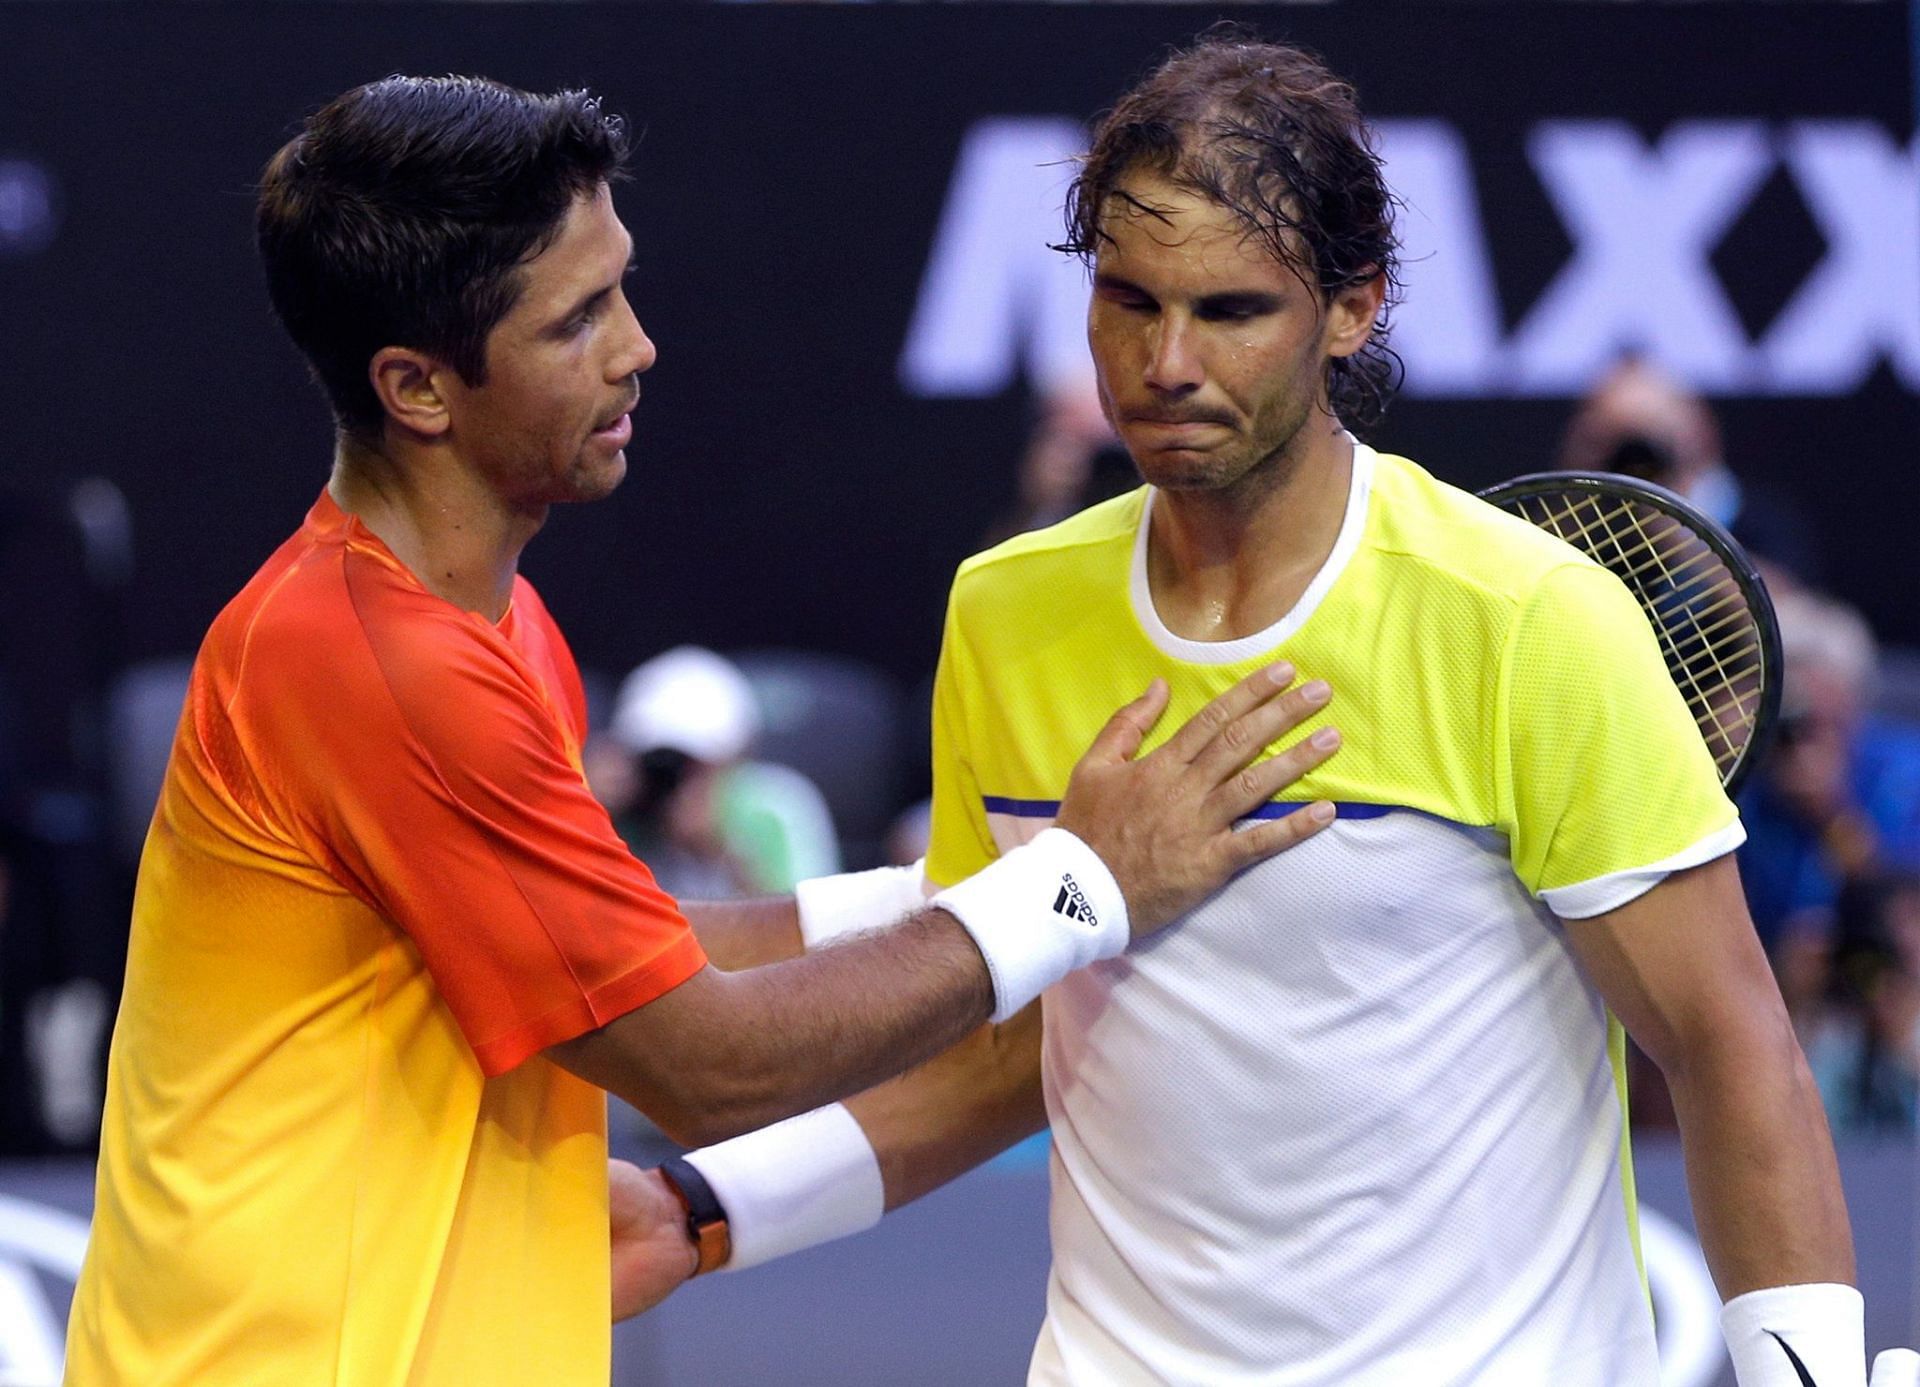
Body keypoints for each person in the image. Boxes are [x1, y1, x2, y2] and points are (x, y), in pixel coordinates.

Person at [628, 35, 1907, 1387]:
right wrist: (709, 1210)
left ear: (1352, 309)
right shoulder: (1004, 610)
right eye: (1127, 299)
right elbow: (1003, 1037)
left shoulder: (1525, 614)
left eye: (1231, 309)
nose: (1166, 360)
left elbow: (1727, 1038)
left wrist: (1805, 1367)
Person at [59, 75, 1347, 1385]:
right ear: (419, 388)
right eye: (576, 319)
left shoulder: (490, 626)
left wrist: (966, 884)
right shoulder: (378, 663)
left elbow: (626, 950)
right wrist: (1081, 882)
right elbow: (705, 1060)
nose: (637, 345)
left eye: (619, 285)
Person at [587, 644, 841, 898]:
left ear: (737, 757)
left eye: (696, 763)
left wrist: (718, 849)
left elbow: (813, 927)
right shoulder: (620, 812)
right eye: (661, 760)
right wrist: (589, 815)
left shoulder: (778, 807)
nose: (677, 781)